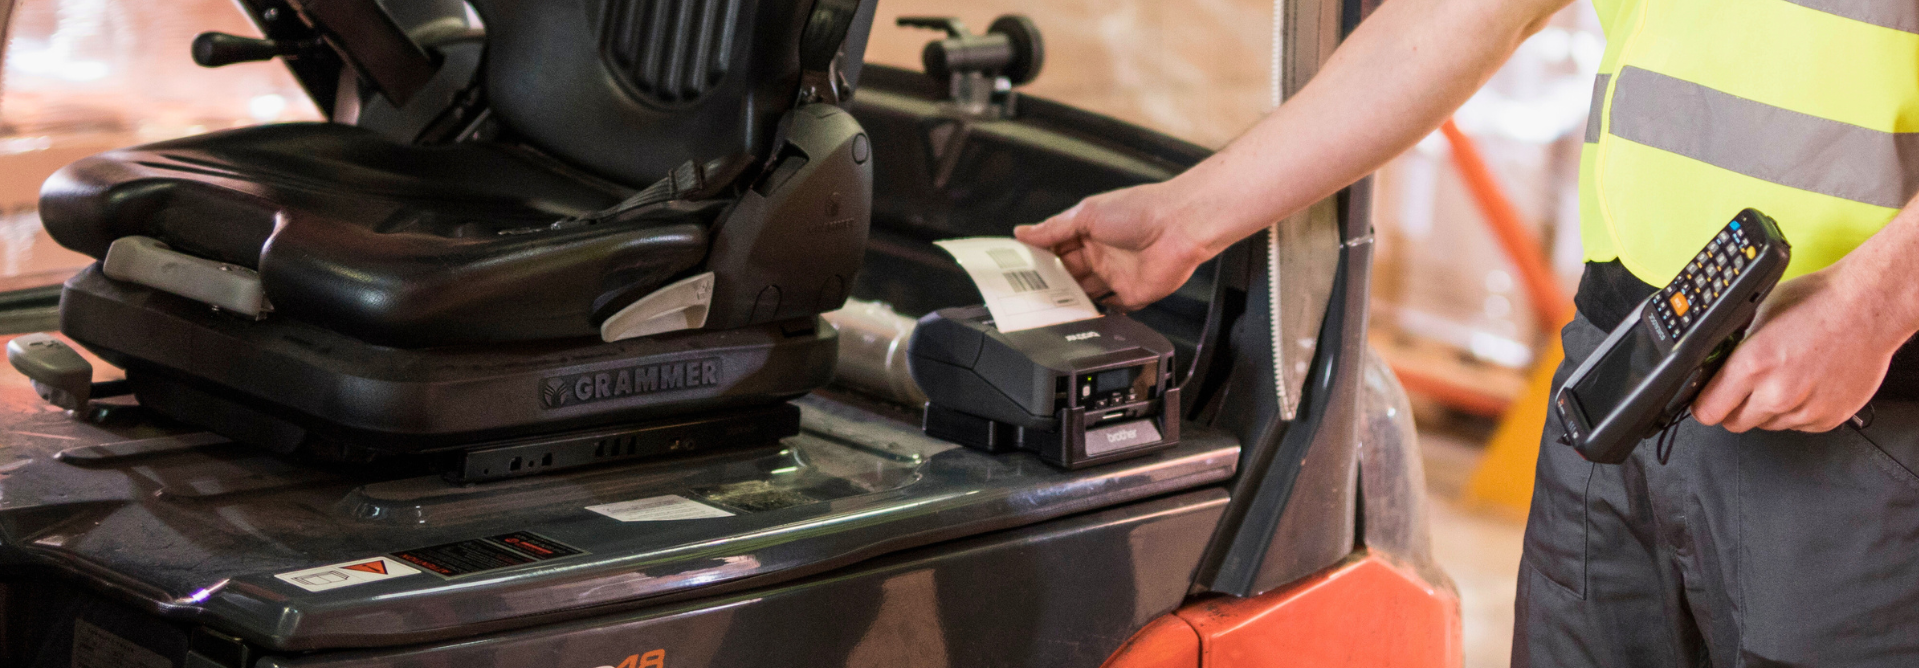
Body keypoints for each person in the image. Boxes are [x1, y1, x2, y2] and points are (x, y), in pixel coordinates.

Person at [1014, 0, 1919, 664]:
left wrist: (1877, 304)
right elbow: (1463, 15)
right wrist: (1189, 216)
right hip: (1624, 367)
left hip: (1863, 413)